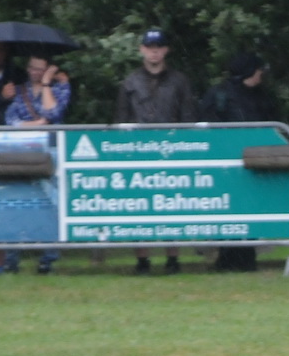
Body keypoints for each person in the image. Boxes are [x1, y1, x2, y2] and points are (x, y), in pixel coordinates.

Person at [114, 28, 197, 274]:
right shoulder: (130, 82)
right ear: (142, 49)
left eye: (158, 47)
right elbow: (121, 120)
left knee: (172, 204)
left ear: (166, 50)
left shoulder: (179, 81)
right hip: (138, 150)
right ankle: (142, 260)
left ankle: (173, 258)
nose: (154, 52)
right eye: (150, 47)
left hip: (171, 149)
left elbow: (188, 117)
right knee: (138, 206)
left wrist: (184, 146)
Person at [201, 52, 277, 272]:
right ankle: (226, 258)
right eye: (258, 70)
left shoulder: (262, 96)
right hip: (225, 165)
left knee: (249, 210)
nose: (261, 74)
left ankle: (246, 256)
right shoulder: (220, 94)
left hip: (252, 164)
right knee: (227, 209)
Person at [0, 55, 72, 276]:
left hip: (50, 154)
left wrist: (47, 83)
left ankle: (47, 258)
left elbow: (54, 113)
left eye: (41, 69)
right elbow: (11, 120)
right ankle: (11, 258)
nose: (35, 73)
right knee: (16, 203)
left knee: (51, 204)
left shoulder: (60, 88)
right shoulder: (19, 91)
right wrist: (37, 123)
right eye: (32, 68)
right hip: (22, 152)